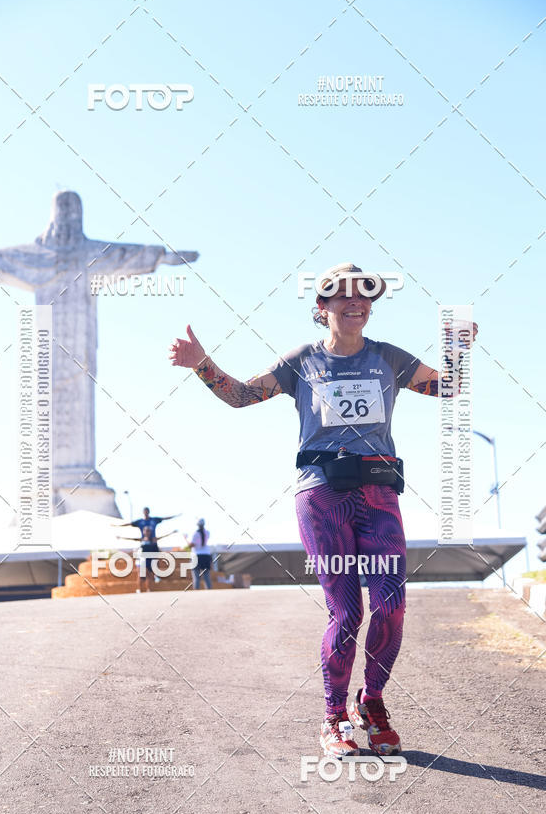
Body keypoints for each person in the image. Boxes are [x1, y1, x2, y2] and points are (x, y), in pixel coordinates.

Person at [170, 262, 478, 759]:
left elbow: (448, 386)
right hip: (322, 496)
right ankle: (334, 717)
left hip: (378, 494)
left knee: (392, 604)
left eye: (365, 295)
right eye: (343, 295)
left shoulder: (389, 358)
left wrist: (459, 349)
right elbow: (242, 396)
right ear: (322, 306)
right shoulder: (303, 361)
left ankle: (371, 703)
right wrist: (201, 363)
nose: (356, 302)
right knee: (347, 611)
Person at [189, 519, 213, 590]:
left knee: (196, 577)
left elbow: (191, 545)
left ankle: (196, 591)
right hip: (206, 555)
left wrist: (186, 539)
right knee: (207, 576)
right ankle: (209, 591)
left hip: (196, 556)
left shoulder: (195, 534)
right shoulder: (207, 532)